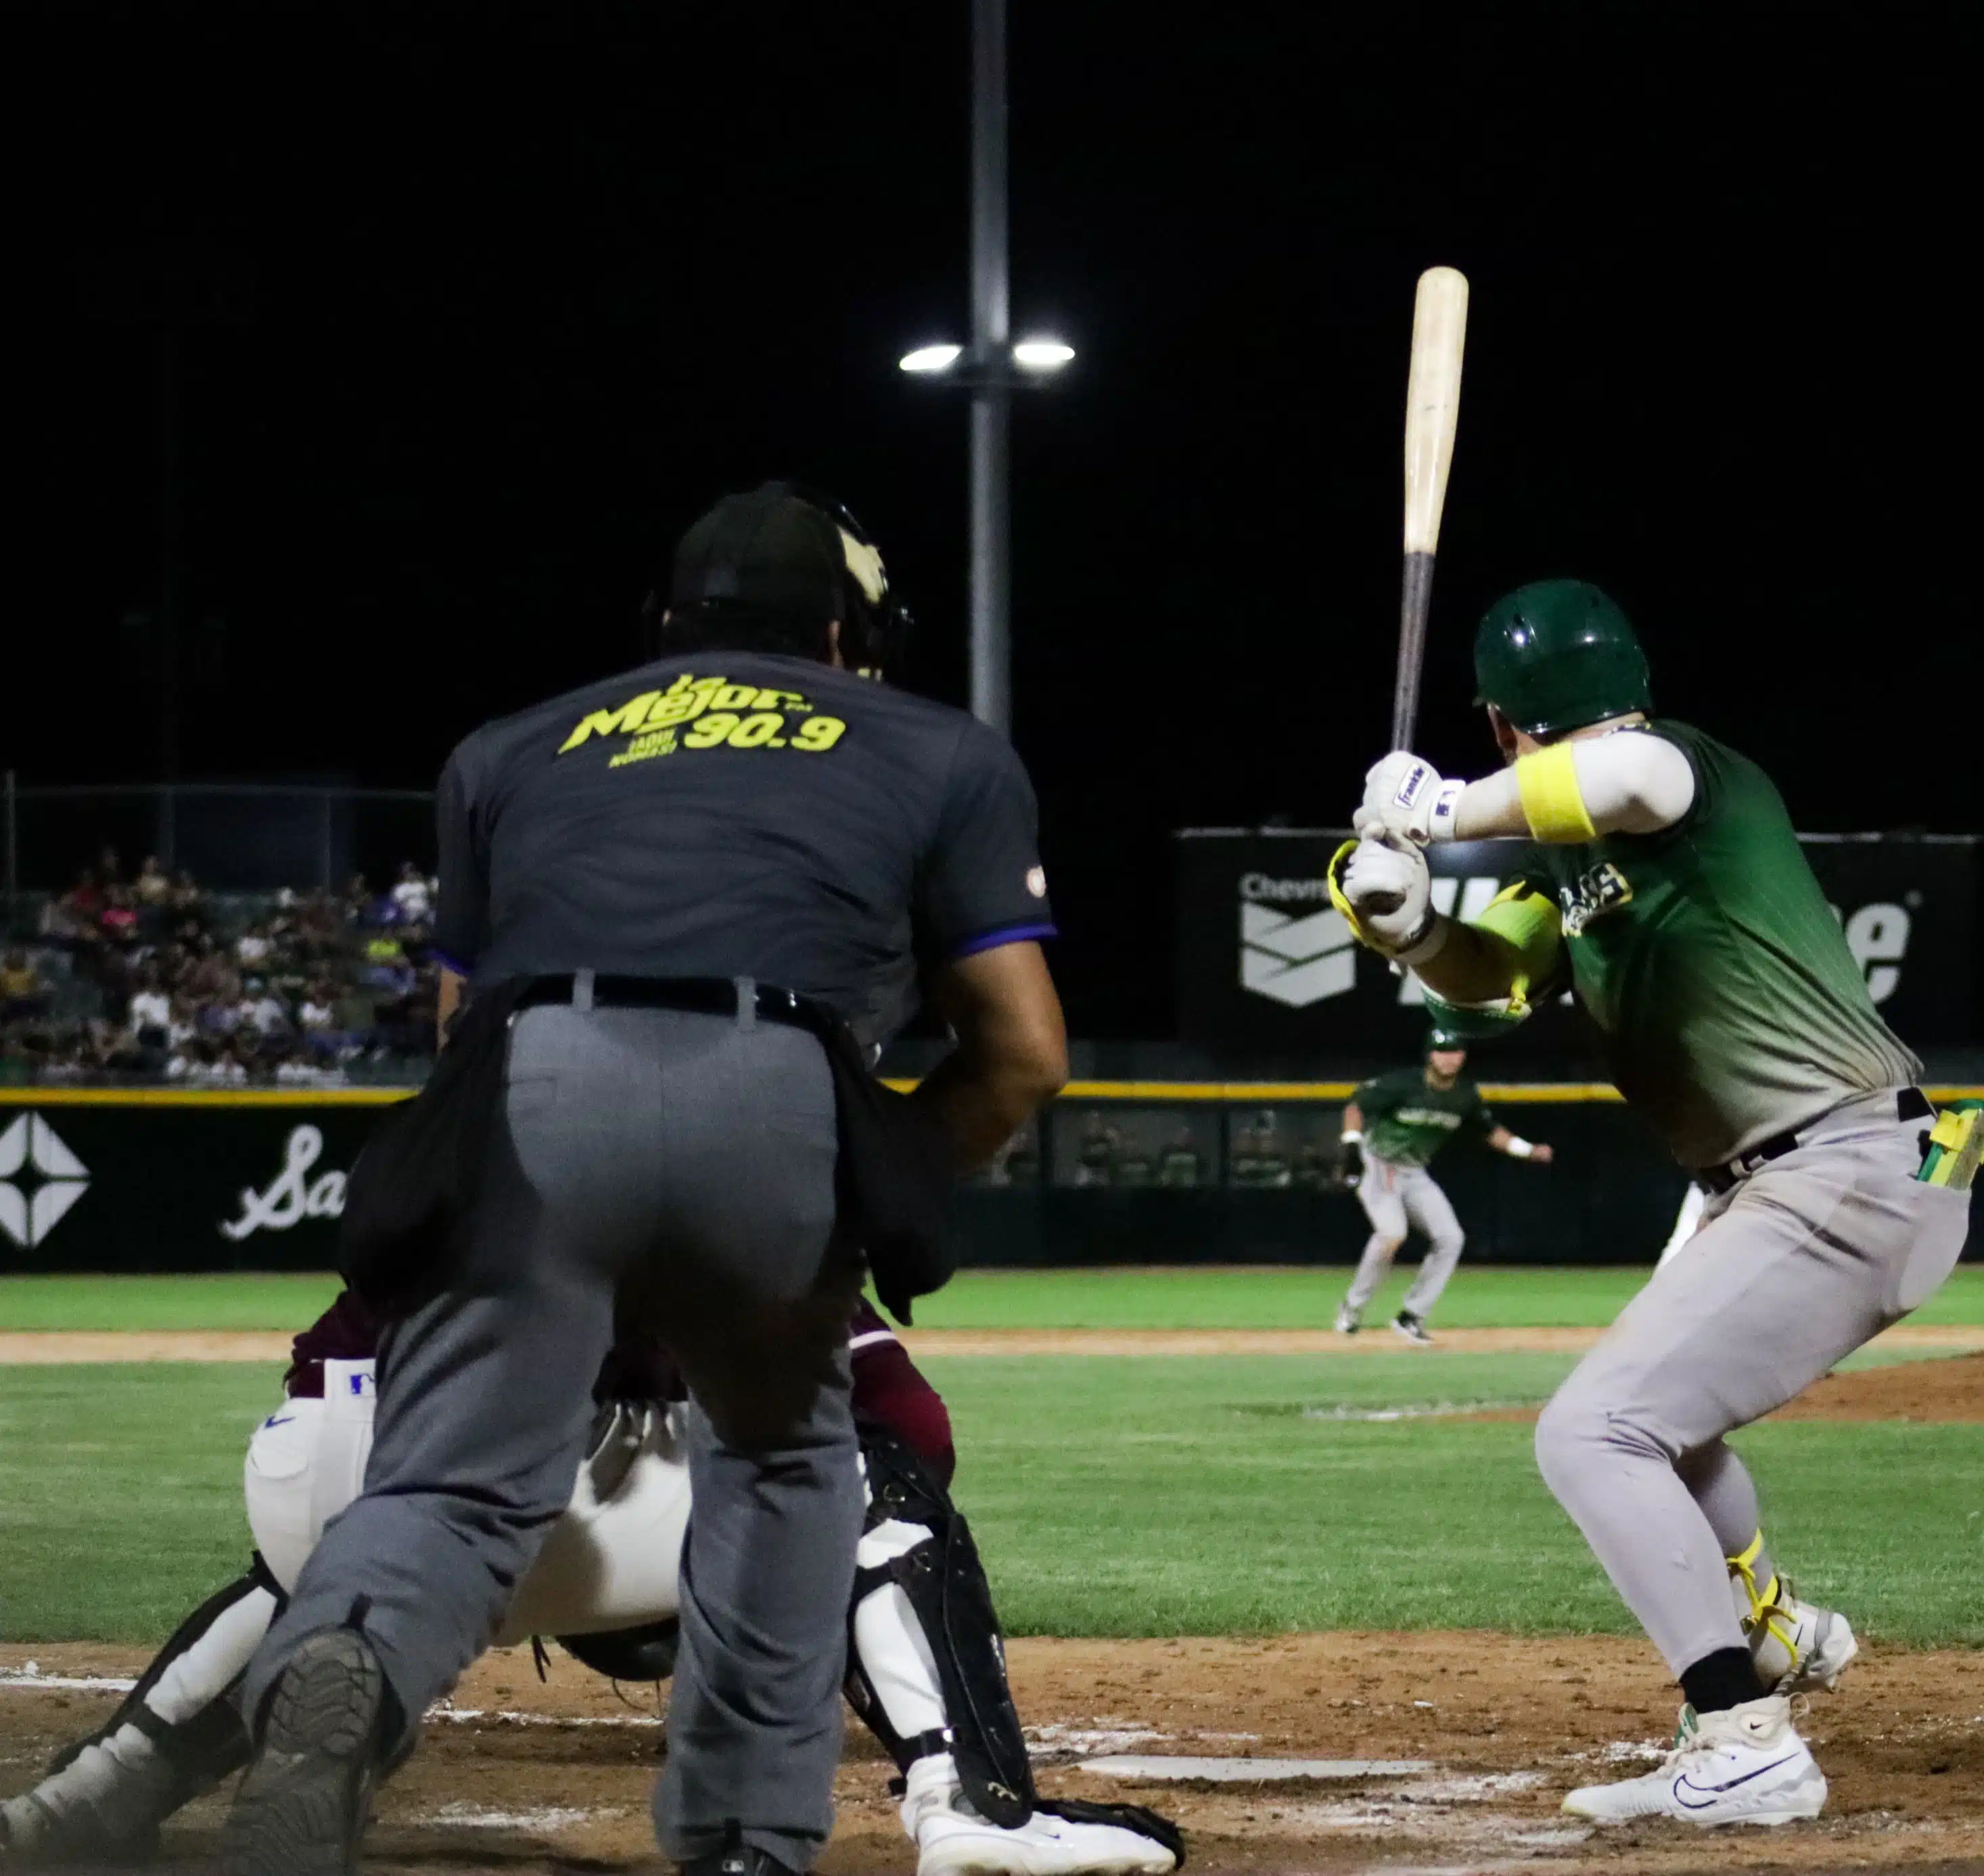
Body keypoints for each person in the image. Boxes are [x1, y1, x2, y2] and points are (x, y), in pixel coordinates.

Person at [216, 483, 1069, 1876]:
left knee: (447, 1487)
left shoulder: (511, 748)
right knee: (786, 1470)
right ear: (848, 636)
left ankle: (352, 1668)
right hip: (778, 1077)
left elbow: (457, 1042)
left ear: (669, 626)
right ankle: (739, 1836)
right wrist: (893, 1167)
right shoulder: (941, 749)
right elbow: (1025, 1052)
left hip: (533, 1073)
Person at [1331, 578, 1984, 1828]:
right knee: (1667, 1431)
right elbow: (1490, 978)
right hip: (1779, 1181)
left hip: (1837, 1165)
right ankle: (1771, 1628)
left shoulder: (1683, 771)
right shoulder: (1571, 858)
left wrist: (1441, 808)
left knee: (1594, 1432)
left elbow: (1628, 778)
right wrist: (1411, 921)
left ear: (1498, 720)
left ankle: (1746, 1737)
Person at [0, 1289, 1179, 1876]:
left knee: (309, 1565)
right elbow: (910, 1419)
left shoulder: (478, 1103)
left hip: (326, 1451)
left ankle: (103, 1787)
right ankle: (970, 1794)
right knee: (874, 1471)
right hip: (549, 1495)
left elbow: (334, 1360)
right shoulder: (726, 1129)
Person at [1333, 1034, 1552, 1343]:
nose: (1449, 1057)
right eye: (1442, 1050)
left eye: (1455, 1051)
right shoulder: (1403, 1084)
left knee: (1451, 1238)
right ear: (1429, 1055)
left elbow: (1488, 1131)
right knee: (1392, 1233)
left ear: (1463, 1057)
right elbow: (1356, 1107)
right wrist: (1352, 1147)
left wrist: (1526, 1150)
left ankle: (1411, 1316)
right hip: (1379, 1165)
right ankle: (1352, 1310)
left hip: (1413, 1172)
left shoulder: (1463, 1095)